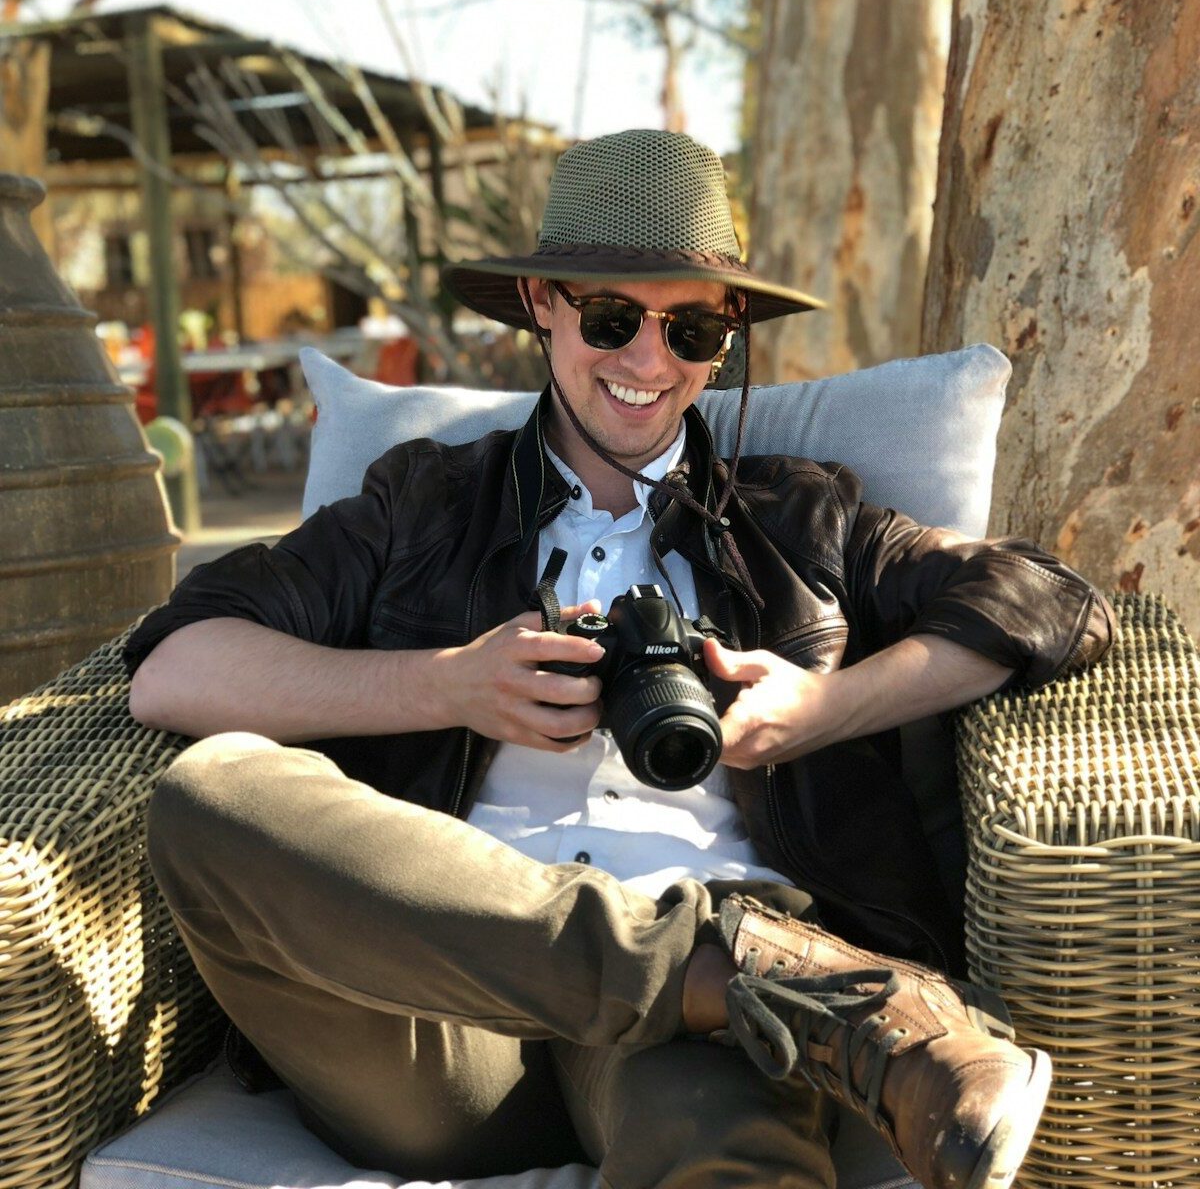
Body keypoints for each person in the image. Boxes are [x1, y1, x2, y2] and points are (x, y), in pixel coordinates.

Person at [126, 130, 1114, 1189]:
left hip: (702, 1021)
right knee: (213, 792)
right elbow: (173, 667)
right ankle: (764, 980)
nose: (648, 363)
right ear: (542, 303)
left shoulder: (799, 517)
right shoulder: (422, 505)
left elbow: (1056, 602)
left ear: (727, 332)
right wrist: (447, 684)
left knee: (734, 1125)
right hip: (437, 1021)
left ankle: (749, 979)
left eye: (689, 327)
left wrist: (825, 707)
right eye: (610, 318)